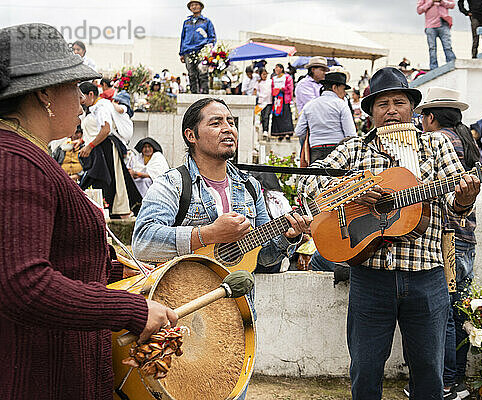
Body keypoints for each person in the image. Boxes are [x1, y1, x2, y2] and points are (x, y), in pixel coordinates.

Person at [0, 23, 177, 400]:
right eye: (75, 86)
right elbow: (23, 284)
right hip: (39, 377)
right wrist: (130, 308)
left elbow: (59, 257)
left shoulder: (27, 154)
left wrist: (121, 271)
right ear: (45, 92)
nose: (82, 99)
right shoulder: (17, 160)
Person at [297, 67, 480, 400]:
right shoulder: (354, 149)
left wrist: (465, 199)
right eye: (382, 104)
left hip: (426, 276)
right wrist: (349, 190)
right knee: (365, 371)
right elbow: (308, 181)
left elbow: (456, 199)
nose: (392, 110)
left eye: (399, 102)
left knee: (429, 372)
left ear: (413, 109)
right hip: (371, 278)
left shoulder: (436, 145)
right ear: (371, 114)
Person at [132, 97, 310, 268]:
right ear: (191, 135)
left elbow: (263, 257)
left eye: (231, 123)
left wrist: (289, 237)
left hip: (238, 299)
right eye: (216, 123)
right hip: (187, 296)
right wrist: (209, 234)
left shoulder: (251, 187)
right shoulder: (172, 184)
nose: (228, 129)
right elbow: (143, 243)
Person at [415, 87, 481, 400]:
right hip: (466, 238)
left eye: (422, 117)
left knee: (444, 313)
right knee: (457, 312)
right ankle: (456, 381)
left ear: (430, 118)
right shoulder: (467, 139)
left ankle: (444, 382)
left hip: (448, 240)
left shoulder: (442, 142)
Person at [79, 82, 142, 217]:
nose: (81, 101)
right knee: (108, 179)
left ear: (90, 94)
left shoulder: (101, 107)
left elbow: (106, 129)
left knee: (109, 179)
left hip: (105, 146)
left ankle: (114, 210)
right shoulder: (96, 107)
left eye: (81, 97)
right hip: (100, 146)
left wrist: (90, 146)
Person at [295, 71, 356, 164]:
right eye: (343, 89)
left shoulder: (309, 105)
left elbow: (299, 131)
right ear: (334, 87)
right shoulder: (341, 105)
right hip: (337, 151)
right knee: (337, 178)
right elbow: (351, 135)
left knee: (316, 178)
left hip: (315, 149)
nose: (344, 93)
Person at [179, 0, 216, 94]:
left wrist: (208, 48)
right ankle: (194, 95)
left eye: (196, 5)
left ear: (200, 7)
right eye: (192, 5)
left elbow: (212, 37)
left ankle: (204, 95)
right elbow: (183, 38)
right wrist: (181, 53)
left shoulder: (206, 21)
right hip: (188, 50)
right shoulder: (186, 22)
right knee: (191, 74)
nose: (194, 7)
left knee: (203, 74)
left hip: (202, 50)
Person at [417, 0, 457, 70]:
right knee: (432, 48)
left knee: (447, 46)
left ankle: (452, 64)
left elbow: (452, 5)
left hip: (444, 23)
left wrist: (441, 1)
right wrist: (431, 2)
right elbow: (419, 10)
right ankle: (433, 68)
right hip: (430, 25)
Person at [270, 63, 294, 140]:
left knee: (286, 115)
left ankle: (287, 133)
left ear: (281, 69)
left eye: (278, 68)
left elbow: (290, 87)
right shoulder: (274, 78)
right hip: (277, 99)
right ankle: (279, 133)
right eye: (275, 68)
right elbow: (272, 87)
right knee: (277, 116)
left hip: (284, 98)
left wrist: (282, 89)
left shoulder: (287, 77)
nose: (276, 69)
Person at [256, 67, 272, 135]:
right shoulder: (258, 83)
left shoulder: (270, 81)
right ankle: (263, 129)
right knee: (262, 116)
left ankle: (266, 130)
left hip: (269, 101)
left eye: (266, 74)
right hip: (261, 101)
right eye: (263, 74)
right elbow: (256, 91)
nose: (265, 76)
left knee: (266, 116)